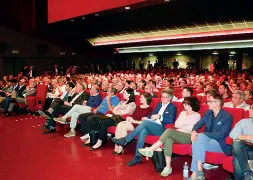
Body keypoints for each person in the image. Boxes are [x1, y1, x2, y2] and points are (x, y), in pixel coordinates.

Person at [112, 89, 177, 167]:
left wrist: (160, 116)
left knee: (145, 123)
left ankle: (126, 140)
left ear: (169, 98)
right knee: (143, 130)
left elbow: (170, 120)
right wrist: (147, 117)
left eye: (164, 97)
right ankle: (137, 157)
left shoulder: (172, 107)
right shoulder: (160, 104)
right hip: (152, 126)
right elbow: (153, 113)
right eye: (161, 97)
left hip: (161, 129)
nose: (162, 99)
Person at [138, 97, 201, 177]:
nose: (184, 105)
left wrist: (183, 125)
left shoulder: (197, 115)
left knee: (169, 131)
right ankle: (168, 167)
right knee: (168, 139)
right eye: (184, 103)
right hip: (178, 133)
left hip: (188, 136)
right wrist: (184, 125)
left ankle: (151, 149)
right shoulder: (182, 113)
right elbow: (176, 124)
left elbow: (191, 128)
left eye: (186, 104)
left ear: (192, 105)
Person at [189, 94, 232, 179]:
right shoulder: (209, 113)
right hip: (207, 141)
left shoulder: (227, 116)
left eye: (210, 101)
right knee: (198, 139)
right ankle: (198, 170)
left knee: (199, 138)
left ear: (217, 103)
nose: (207, 103)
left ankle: (196, 172)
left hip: (220, 144)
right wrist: (194, 131)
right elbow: (198, 124)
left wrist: (204, 134)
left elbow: (221, 134)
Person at [229, 104, 253, 180]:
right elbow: (232, 135)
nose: (249, 110)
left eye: (252, 109)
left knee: (237, 159)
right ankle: (247, 172)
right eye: (250, 108)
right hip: (243, 148)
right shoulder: (244, 122)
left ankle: (246, 174)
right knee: (236, 143)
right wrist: (247, 137)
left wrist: (242, 136)